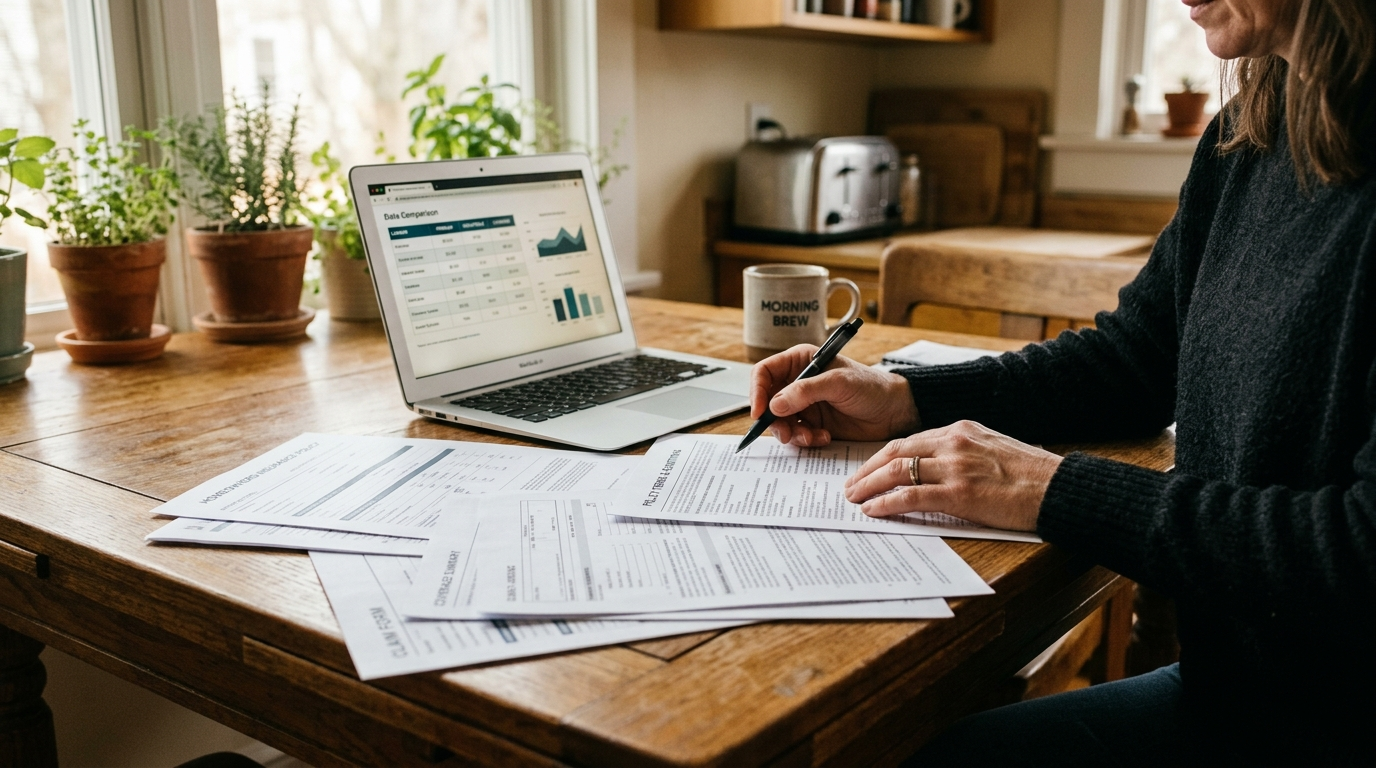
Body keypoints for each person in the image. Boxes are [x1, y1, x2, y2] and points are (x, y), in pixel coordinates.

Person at [749, 0, 1375, 764]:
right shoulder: (1250, 135)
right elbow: (1134, 363)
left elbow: (1357, 550)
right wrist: (907, 397)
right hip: (1240, 696)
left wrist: (1053, 490)